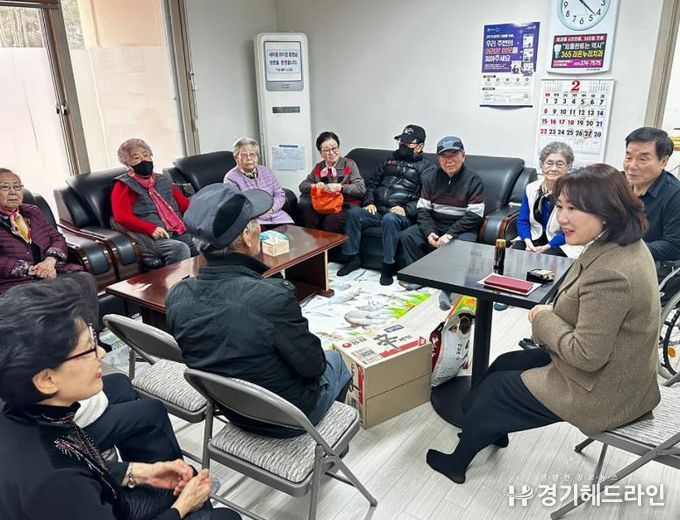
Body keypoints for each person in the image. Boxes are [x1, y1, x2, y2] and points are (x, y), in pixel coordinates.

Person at [426, 164, 660, 485]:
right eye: (560, 206)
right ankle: (490, 428)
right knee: (505, 364)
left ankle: (458, 462)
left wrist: (544, 316)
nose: (562, 217)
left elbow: (587, 355)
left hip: (605, 391)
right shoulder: (621, 243)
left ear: (607, 210)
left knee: (496, 389)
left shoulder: (613, 272)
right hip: (614, 368)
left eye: (573, 208)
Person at [0, 278, 239, 519]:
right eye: (88, 349)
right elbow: (73, 479)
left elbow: (83, 465)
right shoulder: (56, 481)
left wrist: (141, 473)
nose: (101, 353)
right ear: (46, 380)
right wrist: (183, 506)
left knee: (186, 478)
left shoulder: (29, 415)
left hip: (105, 500)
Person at [166, 184, 352, 438]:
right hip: (288, 418)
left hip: (232, 410)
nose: (259, 228)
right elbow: (313, 366)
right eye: (256, 223)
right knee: (336, 361)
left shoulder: (177, 295)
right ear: (246, 236)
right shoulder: (271, 298)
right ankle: (330, 438)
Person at [337, 124, 436, 285]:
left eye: (408, 143)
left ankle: (388, 265)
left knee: (390, 219)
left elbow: (428, 196)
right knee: (354, 213)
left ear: (420, 146)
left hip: (401, 215)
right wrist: (369, 202)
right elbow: (372, 183)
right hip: (377, 210)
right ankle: (352, 258)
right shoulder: (388, 160)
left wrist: (407, 209)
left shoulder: (427, 167)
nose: (403, 145)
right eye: (401, 142)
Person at [0, 168, 99, 322]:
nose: (13, 192)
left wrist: (50, 261)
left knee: (84, 279)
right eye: (5, 187)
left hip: (51, 269)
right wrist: (32, 270)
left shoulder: (32, 211)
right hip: (17, 281)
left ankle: (90, 332)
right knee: (46, 296)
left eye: (17, 186)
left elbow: (57, 238)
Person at [400, 136, 484, 303]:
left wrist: (450, 234)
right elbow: (423, 209)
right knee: (408, 235)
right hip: (436, 224)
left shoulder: (474, 180)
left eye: (454, 155)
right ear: (438, 159)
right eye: (444, 156)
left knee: (460, 246)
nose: (449, 160)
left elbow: (475, 215)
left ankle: (448, 290)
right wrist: (429, 232)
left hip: (462, 228)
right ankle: (419, 277)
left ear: (463, 156)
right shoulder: (431, 178)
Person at [112, 138, 198, 266]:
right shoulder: (123, 185)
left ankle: (201, 277)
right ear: (128, 163)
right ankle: (177, 279)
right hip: (149, 236)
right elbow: (121, 216)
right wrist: (151, 228)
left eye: (146, 155)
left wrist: (202, 215)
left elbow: (184, 204)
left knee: (201, 242)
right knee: (180, 249)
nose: (143, 160)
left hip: (176, 230)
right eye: (136, 158)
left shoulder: (163, 179)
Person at [78, 372, 184, 464]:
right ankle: (173, 478)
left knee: (120, 384)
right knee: (151, 412)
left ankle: (141, 470)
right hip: (70, 430)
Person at [513, 141, 581, 258]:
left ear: (569, 166)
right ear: (541, 165)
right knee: (514, 254)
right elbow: (522, 221)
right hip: (534, 237)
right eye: (549, 163)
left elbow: (573, 229)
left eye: (560, 164)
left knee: (547, 260)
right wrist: (528, 241)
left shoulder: (575, 193)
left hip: (563, 242)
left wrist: (547, 246)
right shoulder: (531, 188)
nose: (553, 168)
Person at [623, 127, 680, 262]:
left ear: (663, 161)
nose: (632, 166)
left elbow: (673, 246)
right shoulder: (617, 183)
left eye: (642, 159)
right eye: (629, 157)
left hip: (651, 266)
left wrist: (623, 250)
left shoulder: (675, 195)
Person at [299, 131, 365, 233]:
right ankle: (314, 243)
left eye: (334, 148)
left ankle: (330, 245)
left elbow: (360, 188)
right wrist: (314, 185)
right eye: (326, 150)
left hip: (345, 205)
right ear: (320, 153)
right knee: (309, 214)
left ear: (338, 147)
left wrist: (340, 187)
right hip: (324, 204)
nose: (331, 153)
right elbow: (302, 186)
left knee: (331, 221)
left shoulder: (349, 164)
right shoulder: (319, 167)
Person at [224, 137, 294, 227]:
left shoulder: (266, 171)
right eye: (244, 155)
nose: (249, 158)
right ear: (236, 158)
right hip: (253, 221)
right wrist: (260, 212)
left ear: (257, 156)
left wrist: (272, 209)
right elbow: (237, 206)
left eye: (252, 154)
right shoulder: (231, 178)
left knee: (293, 233)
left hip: (277, 216)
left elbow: (280, 194)